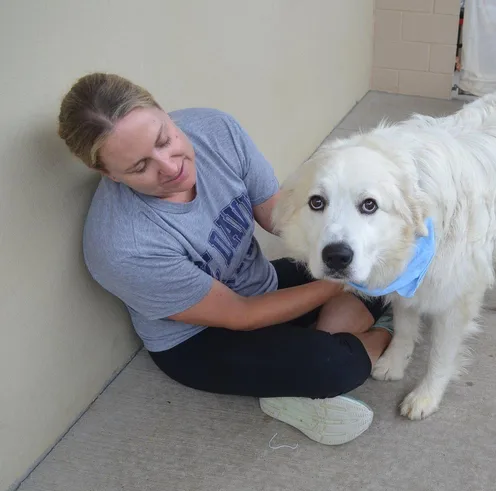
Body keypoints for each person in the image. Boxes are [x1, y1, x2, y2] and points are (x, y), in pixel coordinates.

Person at [57, 72, 393, 445]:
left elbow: (277, 216)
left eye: (165, 139)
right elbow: (241, 315)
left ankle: (300, 368)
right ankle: (378, 336)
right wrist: (338, 283)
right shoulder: (123, 246)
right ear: (106, 172)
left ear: (164, 112)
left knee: (378, 269)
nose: (170, 167)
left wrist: (345, 247)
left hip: (259, 281)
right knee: (338, 364)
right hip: (201, 339)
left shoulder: (216, 130)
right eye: (140, 167)